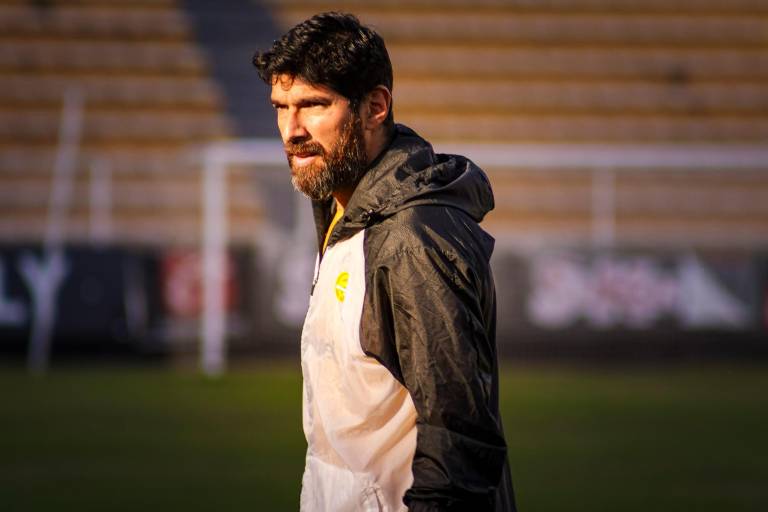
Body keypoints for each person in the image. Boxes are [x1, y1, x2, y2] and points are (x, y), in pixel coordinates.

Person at [253, 12, 516, 512]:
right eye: (281, 107)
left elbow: (457, 433)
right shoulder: (342, 208)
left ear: (375, 106)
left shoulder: (411, 238)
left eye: (313, 105)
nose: (291, 130)